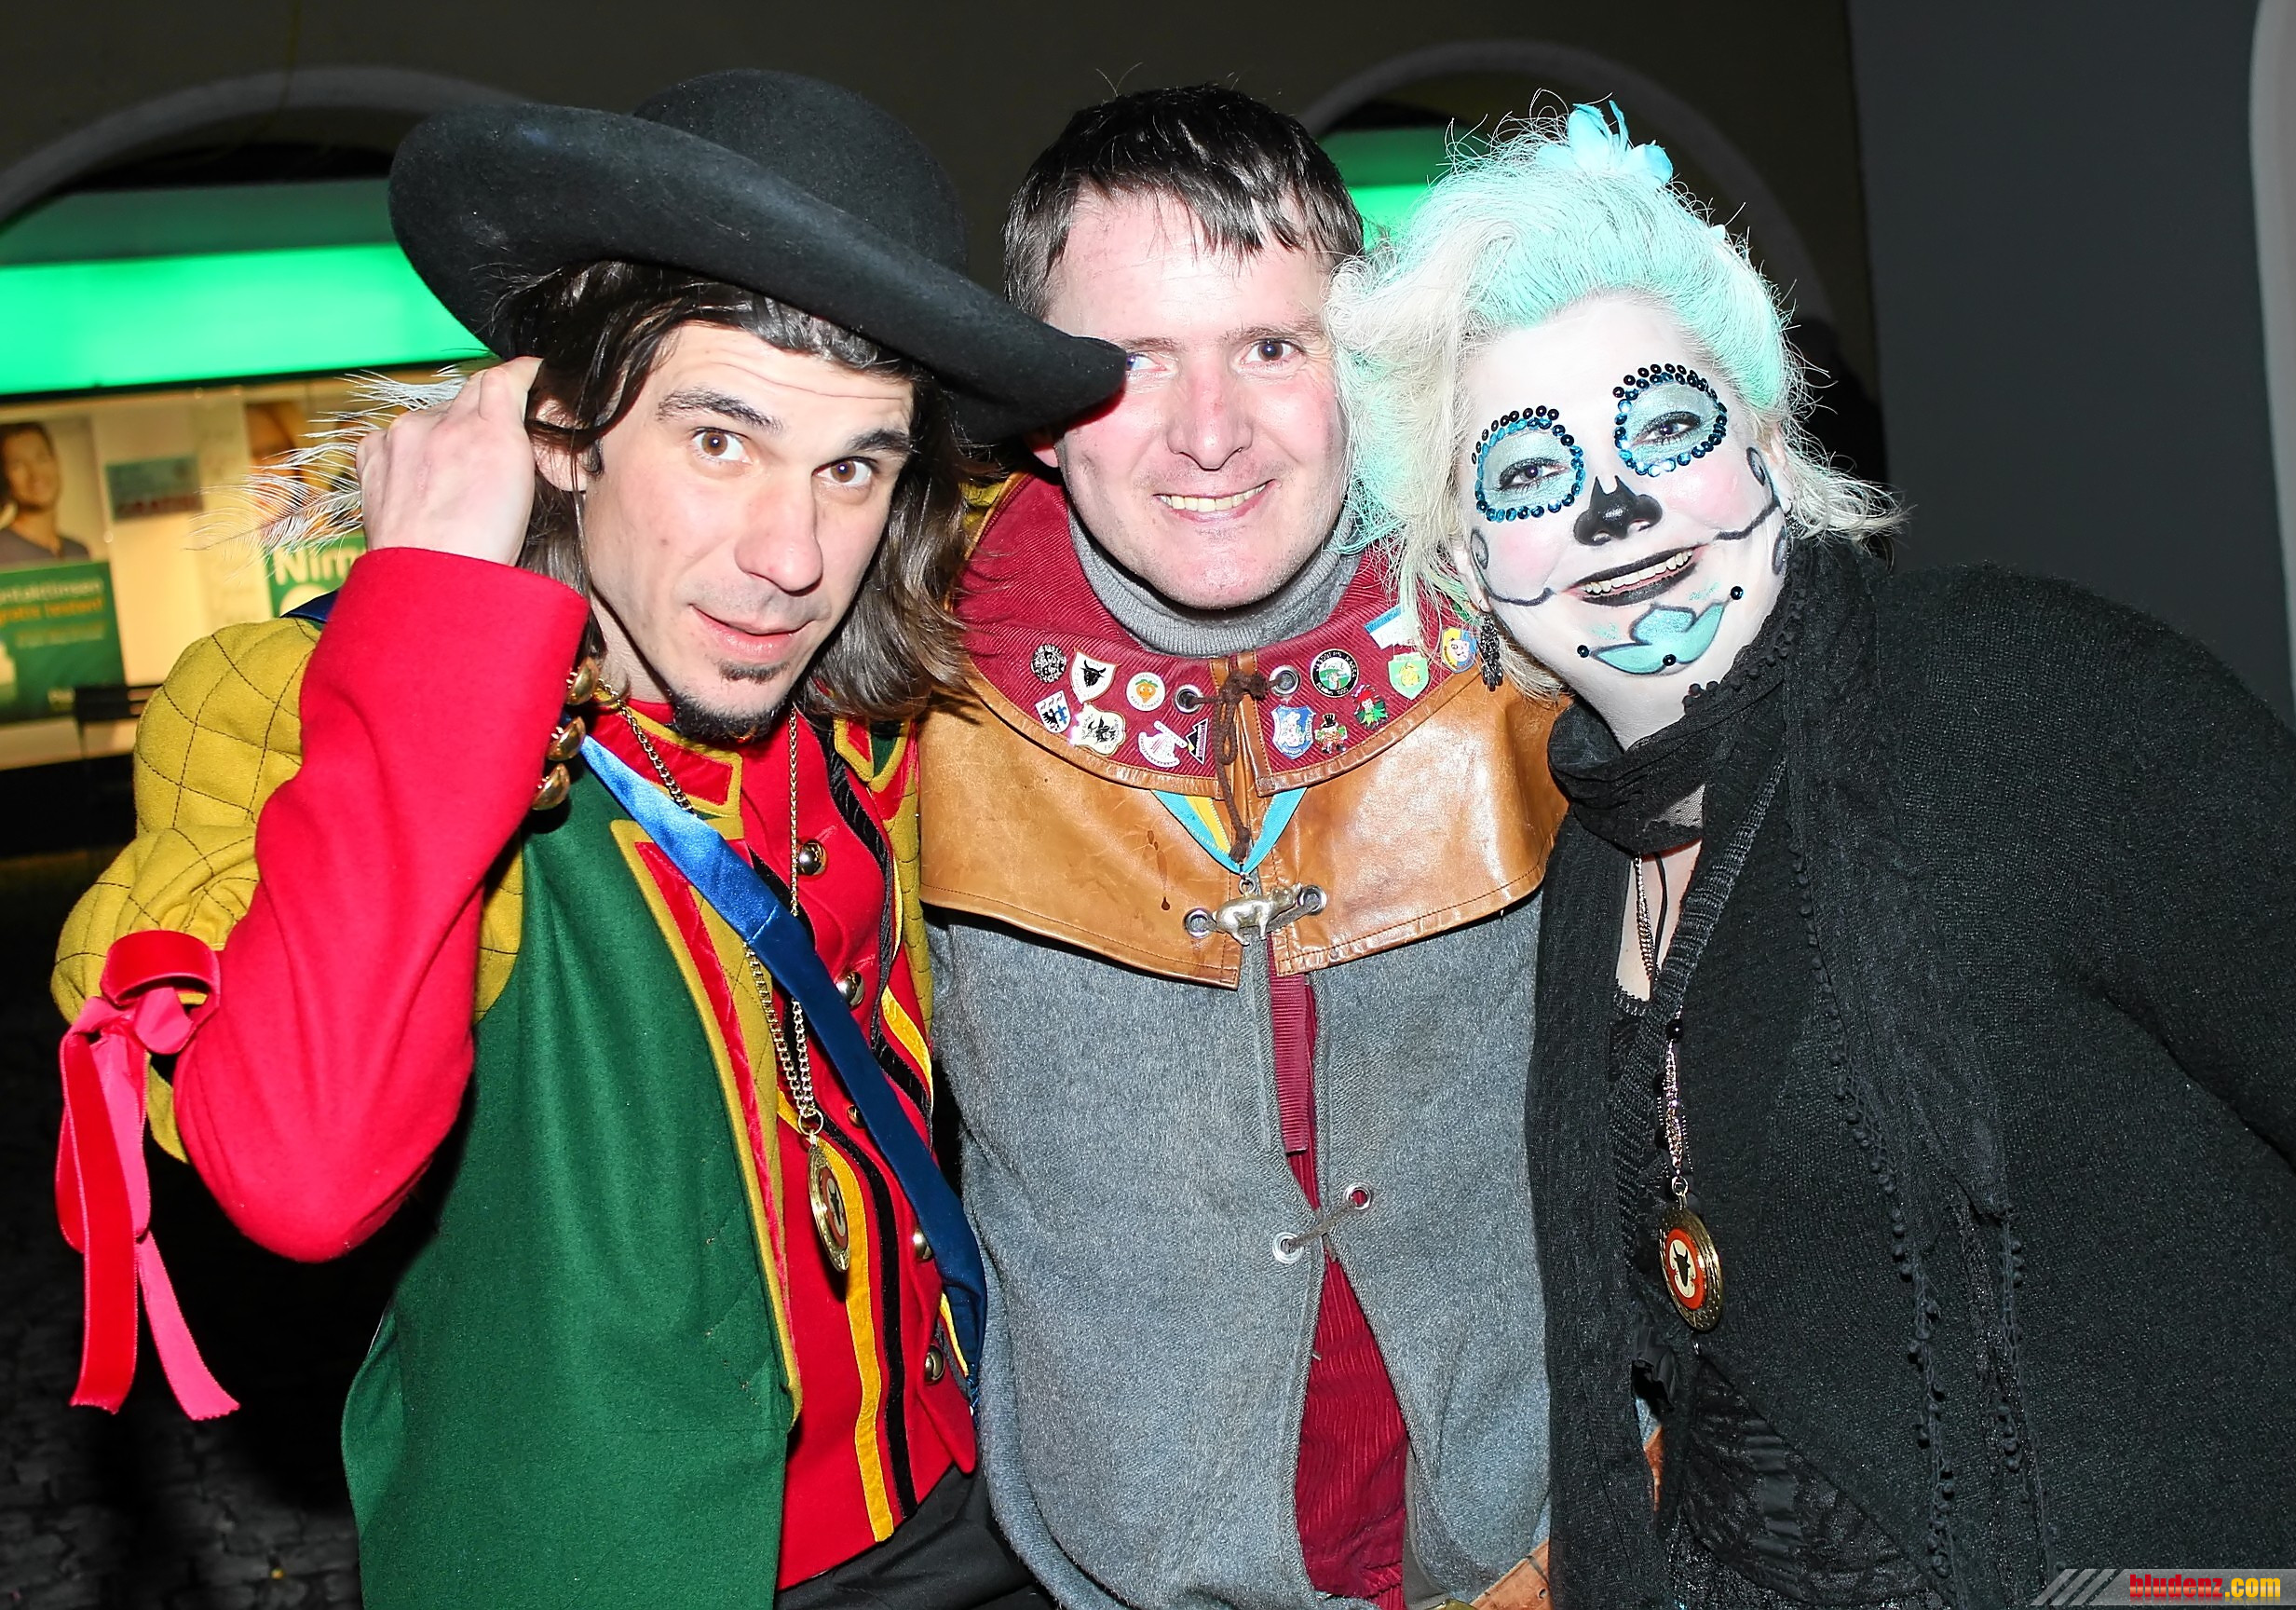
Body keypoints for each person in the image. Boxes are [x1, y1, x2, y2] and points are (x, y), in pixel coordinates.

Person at [52, 70, 1119, 1609]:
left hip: (965, 1511)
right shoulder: (297, 710)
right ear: (558, 426)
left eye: (853, 466)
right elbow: (300, 1174)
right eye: (720, 439)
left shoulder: (880, 718)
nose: (792, 555)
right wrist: (430, 609)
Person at [1326, 104, 2296, 1605]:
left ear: (1770, 446)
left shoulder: (2031, 695)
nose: (1615, 506)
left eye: (1664, 432)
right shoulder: (1588, 857)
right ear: (1466, 562)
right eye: (1528, 473)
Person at [917, 85, 1560, 1610]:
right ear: (1036, 402)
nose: (1209, 434)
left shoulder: (1531, 606)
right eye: (1131, 361)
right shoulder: (903, 672)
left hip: (1552, 1540)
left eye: (1272, 346)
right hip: (1108, 1578)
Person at [0, 420, 94, 564]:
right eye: (17, 465)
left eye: (42, 459)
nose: (35, 475)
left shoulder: (78, 551)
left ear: (56, 462)